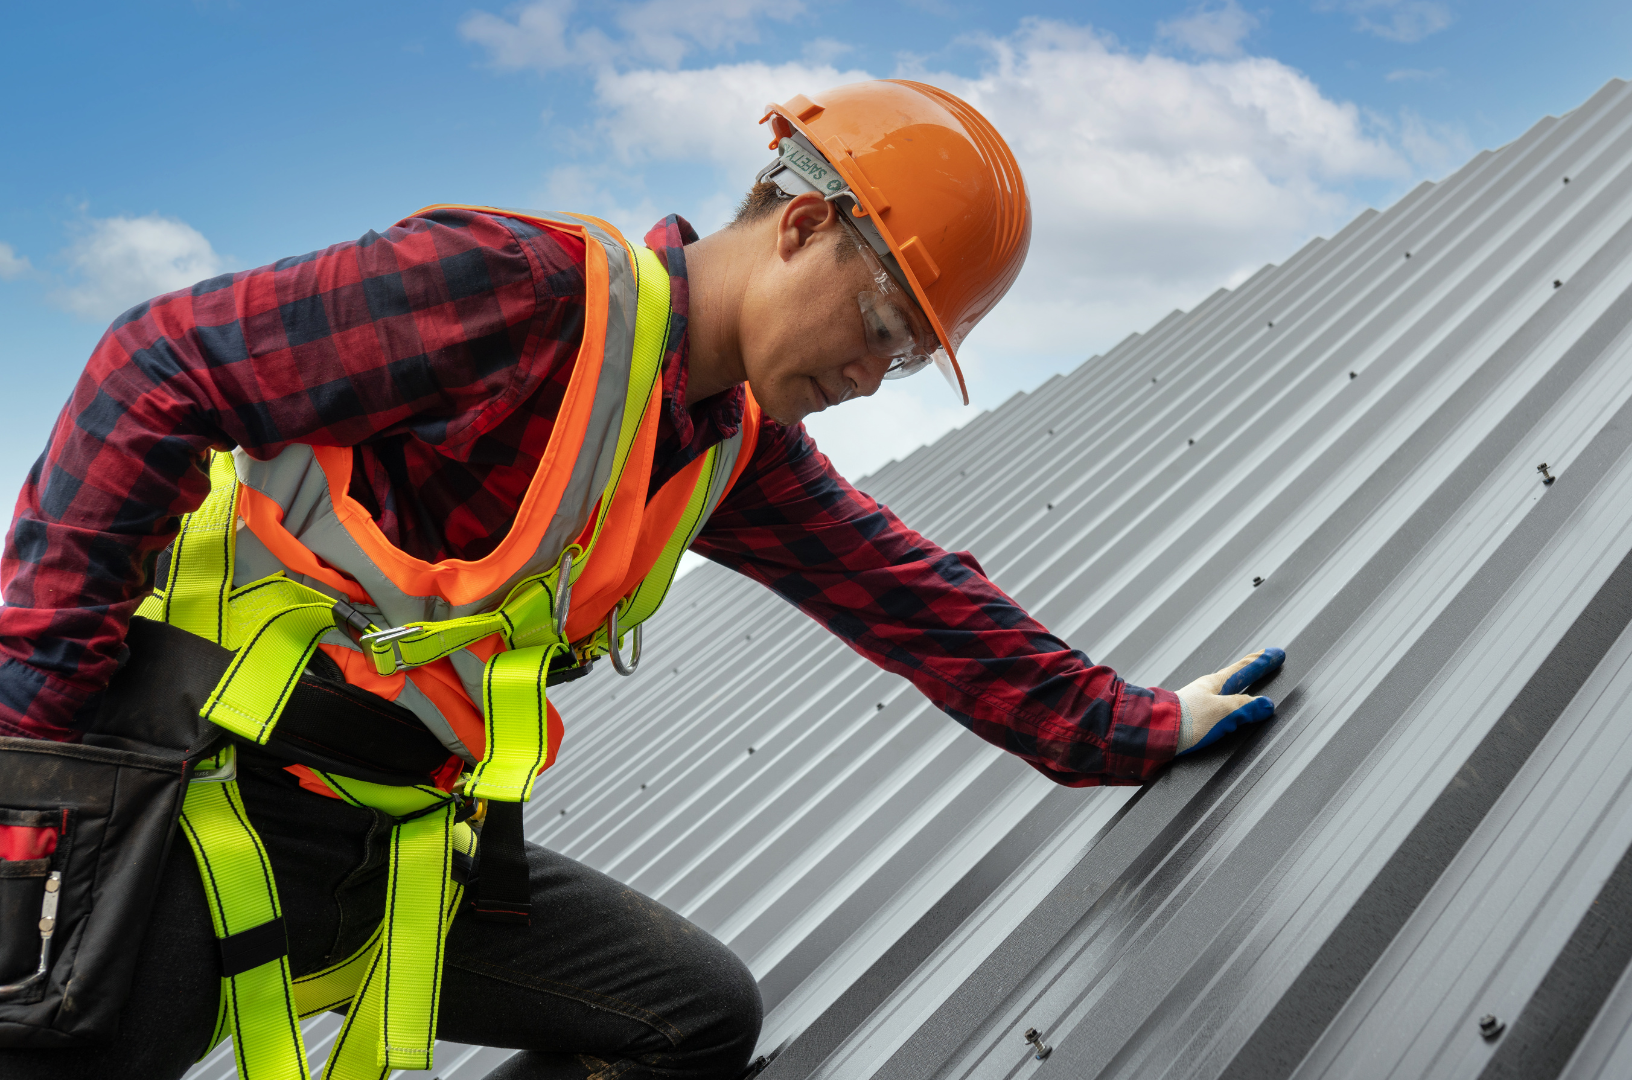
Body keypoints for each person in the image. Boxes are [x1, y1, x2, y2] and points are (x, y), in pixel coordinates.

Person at [0, 80, 1283, 1080]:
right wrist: (33, 759)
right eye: (884, 325)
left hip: (390, 839)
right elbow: (151, 368)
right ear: (803, 225)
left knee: (692, 1021)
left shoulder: (728, 448)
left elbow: (912, 596)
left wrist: (1134, 725)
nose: (870, 376)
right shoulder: (519, 291)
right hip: (196, 796)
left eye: (905, 359)